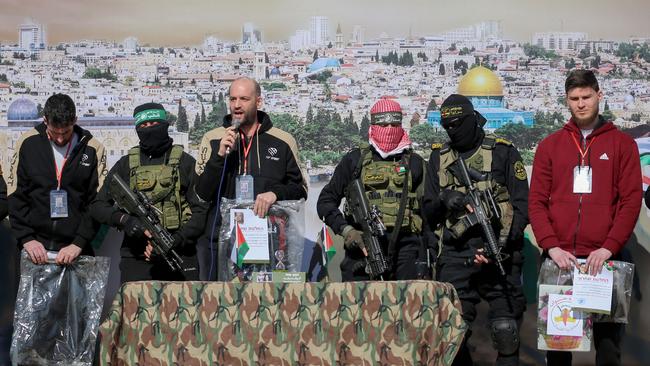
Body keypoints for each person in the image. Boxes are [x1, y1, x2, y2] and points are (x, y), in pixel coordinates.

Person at [529, 69, 641, 366]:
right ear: (566, 101)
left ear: (599, 95)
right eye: (574, 98)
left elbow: (631, 201)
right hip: (560, 261)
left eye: (586, 97)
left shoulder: (622, 145)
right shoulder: (550, 146)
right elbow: (537, 201)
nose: (581, 104)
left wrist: (608, 246)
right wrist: (551, 246)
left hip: (605, 262)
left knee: (607, 349)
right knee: (558, 348)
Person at [428, 94, 528, 365]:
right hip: (455, 254)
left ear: (473, 119)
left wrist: (501, 244)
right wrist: (444, 199)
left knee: (506, 332)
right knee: (451, 336)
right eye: (447, 126)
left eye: (458, 124)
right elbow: (427, 213)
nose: (452, 131)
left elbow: (521, 207)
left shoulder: (503, 152)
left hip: (500, 254)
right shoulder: (438, 158)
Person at [194, 77, 308, 280]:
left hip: (268, 241)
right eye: (233, 99)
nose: (237, 105)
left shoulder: (283, 141)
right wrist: (219, 157)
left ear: (258, 102)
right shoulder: (212, 139)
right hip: (221, 241)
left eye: (244, 99)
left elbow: (300, 189)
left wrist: (275, 194)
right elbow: (201, 193)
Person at [317, 98, 436, 281]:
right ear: (373, 125)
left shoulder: (416, 163)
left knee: (406, 307)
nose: (389, 129)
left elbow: (429, 211)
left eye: (394, 124)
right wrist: (348, 231)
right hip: (362, 249)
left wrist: (430, 251)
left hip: (406, 250)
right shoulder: (355, 160)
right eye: (383, 124)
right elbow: (325, 202)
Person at [91, 102, 206, 282]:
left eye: (153, 124)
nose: (149, 129)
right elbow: (98, 206)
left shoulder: (185, 162)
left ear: (165, 125)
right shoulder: (125, 164)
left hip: (180, 255)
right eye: (143, 126)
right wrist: (125, 220)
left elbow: (200, 211)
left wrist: (176, 240)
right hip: (137, 257)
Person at [7, 93, 106, 265]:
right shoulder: (28, 143)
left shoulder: (92, 148)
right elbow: (16, 192)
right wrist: (26, 238)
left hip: (76, 252)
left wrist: (79, 242)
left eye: (66, 132)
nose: (60, 138)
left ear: (75, 120)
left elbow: (97, 201)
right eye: (54, 132)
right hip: (33, 250)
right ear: (45, 121)